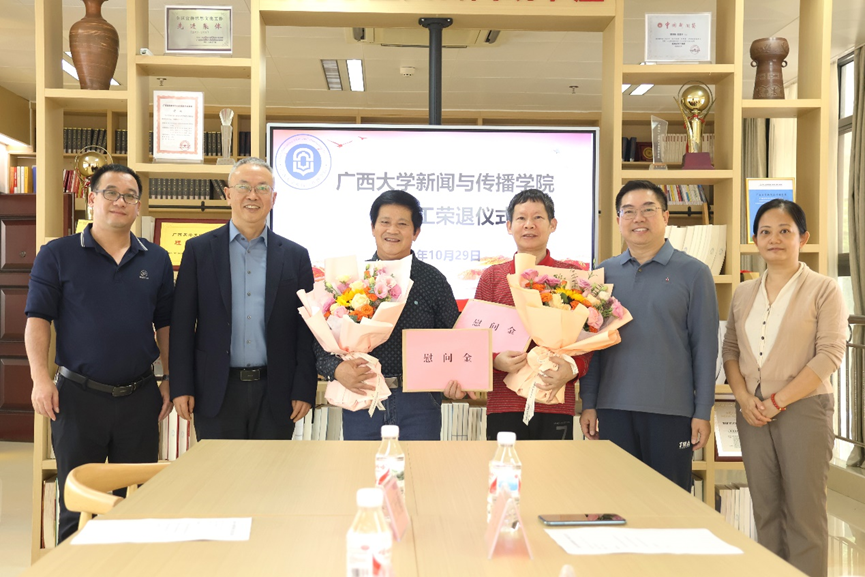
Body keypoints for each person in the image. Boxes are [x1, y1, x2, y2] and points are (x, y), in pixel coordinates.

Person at [25, 164, 174, 542]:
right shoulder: (57, 254)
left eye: (129, 196)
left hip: (139, 398)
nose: (120, 202)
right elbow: (38, 319)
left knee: (135, 506)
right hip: (77, 398)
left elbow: (166, 325)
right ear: (92, 199)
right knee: (76, 505)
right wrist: (40, 379)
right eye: (111, 193)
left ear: (138, 206)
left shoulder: (156, 259)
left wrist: (170, 378)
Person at [722, 199, 846, 577]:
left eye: (784, 231)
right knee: (766, 510)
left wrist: (778, 400)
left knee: (805, 513)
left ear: (802, 238)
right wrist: (744, 398)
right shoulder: (744, 292)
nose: (774, 239)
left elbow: (830, 354)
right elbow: (730, 350)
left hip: (804, 409)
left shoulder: (824, 289)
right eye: (765, 232)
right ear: (755, 240)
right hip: (752, 413)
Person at [579, 180, 717, 490]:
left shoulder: (694, 273)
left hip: (672, 410)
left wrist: (702, 411)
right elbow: (592, 347)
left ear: (666, 216)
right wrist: (589, 403)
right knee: (617, 499)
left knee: (669, 501)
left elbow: (705, 348)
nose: (638, 218)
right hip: (613, 408)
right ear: (618, 220)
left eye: (648, 210)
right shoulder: (603, 274)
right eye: (628, 211)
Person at [170, 157, 316, 440]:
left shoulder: (295, 256)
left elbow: (306, 329)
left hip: (277, 391)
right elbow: (182, 325)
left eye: (262, 188)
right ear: (228, 194)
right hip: (215, 390)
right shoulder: (199, 250)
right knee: (219, 470)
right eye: (243, 187)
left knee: (272, 469)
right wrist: (181, 385)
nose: (252, 195)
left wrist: (304, 387)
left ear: (273, 198)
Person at [446, 189, 592, 440]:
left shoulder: (571, 275)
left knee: (556, 467)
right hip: (504, 402)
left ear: (553, 224)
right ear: (509, 226)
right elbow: (472, 338)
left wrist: (572, 368)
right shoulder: (493, 277)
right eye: (521, 218)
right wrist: (494, 361)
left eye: (538, 217)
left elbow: (589, 339)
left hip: (554, 398)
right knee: (505, 464)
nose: (529, 225)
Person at [315, 190, 460, 441]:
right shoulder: (351, 279)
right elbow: (320, 341)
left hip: (419, 402)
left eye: (402, 224)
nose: (392, 230)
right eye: (385, 222)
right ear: (373, 227)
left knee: (419, 466)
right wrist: (336, 370)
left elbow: (456, 337)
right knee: (362, 467)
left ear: (416, 232)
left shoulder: (433, 280)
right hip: (363, 394)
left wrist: (459, 377)